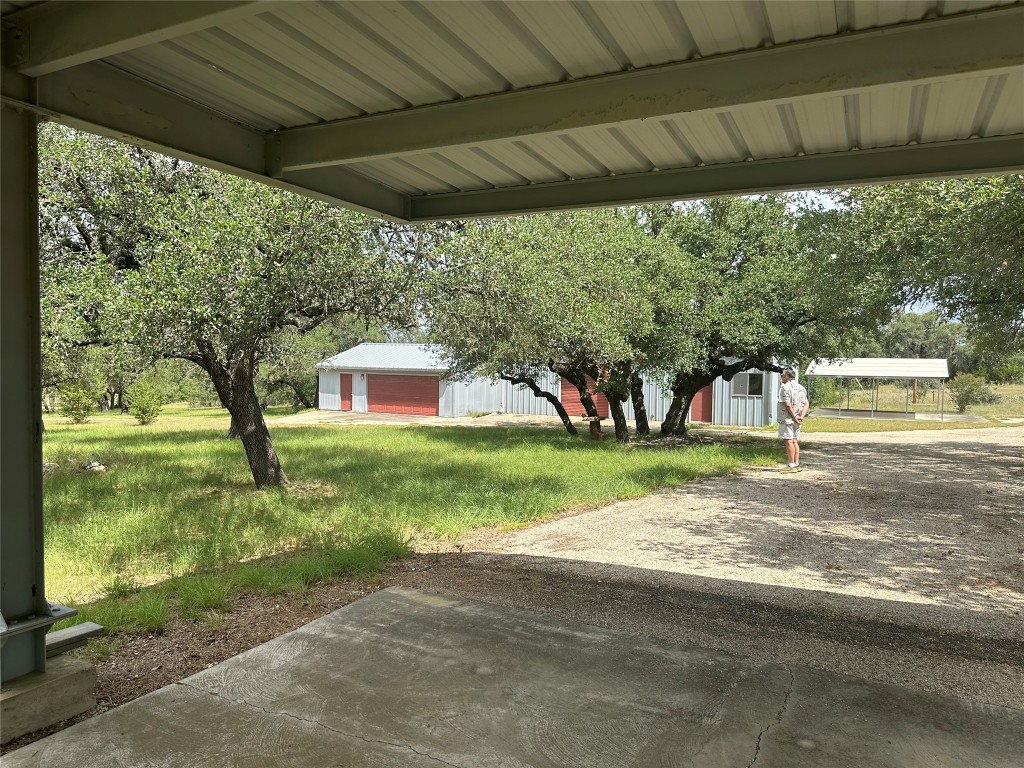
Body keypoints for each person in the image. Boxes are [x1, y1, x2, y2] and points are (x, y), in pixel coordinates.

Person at [778, 367, 809, 469]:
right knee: (795, 440)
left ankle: (791, 464)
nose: (781, 377)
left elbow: (787, 404)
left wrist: (794, 417)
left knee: (788, 441)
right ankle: (796, 463)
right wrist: (801, 417)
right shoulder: (801, 388)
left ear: (787, 376)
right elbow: (807, 404)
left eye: (782, 375)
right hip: (798, 418)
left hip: (788, 418)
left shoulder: (785, 387)